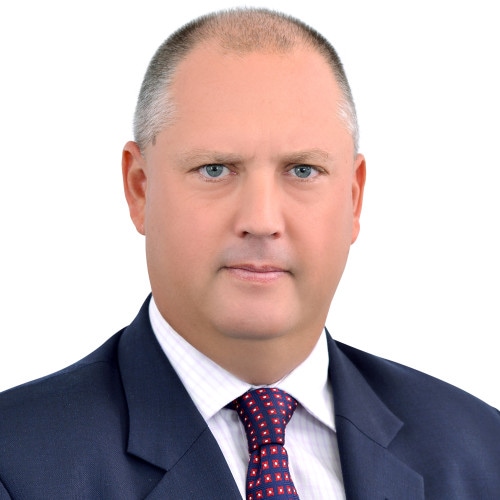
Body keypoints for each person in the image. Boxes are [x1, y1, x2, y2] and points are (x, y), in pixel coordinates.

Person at [0, 8, 499, 499]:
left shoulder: (482, 452)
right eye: (215, 169)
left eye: (302, 170)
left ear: (353, 198)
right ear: (140, 188)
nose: (260, 220)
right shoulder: (17, 465)